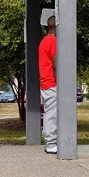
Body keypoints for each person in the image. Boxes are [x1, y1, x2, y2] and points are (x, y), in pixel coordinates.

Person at [39, 16, 58, 154]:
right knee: (52, 113)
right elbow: (56, 63)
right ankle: (51, 143)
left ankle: (51, 141)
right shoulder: (53, 41)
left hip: (46, 82)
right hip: (52, 82)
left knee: (49, 112)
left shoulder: (44, 41)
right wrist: (61, 83)